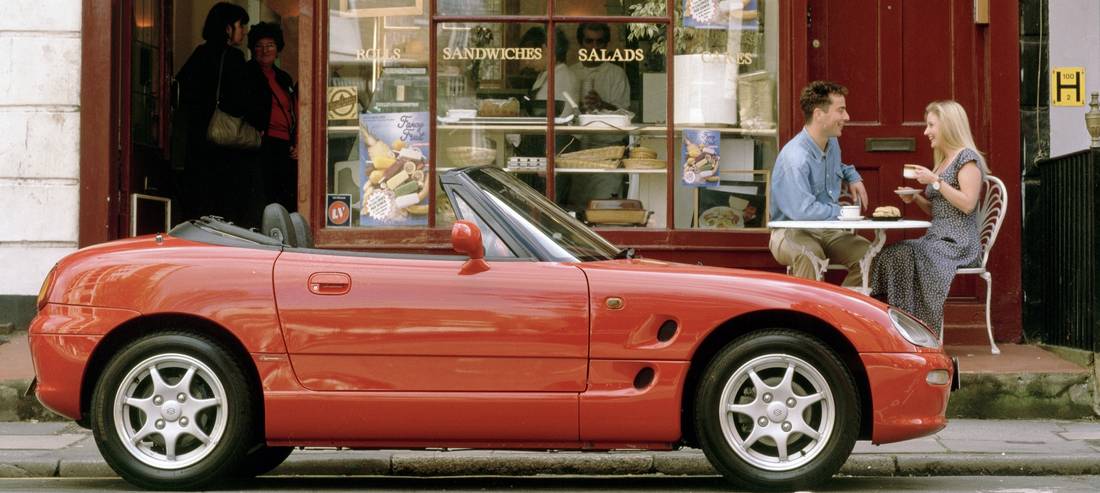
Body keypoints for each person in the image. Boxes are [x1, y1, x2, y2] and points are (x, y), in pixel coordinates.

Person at [870, 100, 990, 336]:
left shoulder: (967, 158)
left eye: (931, 125)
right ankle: (903, 324)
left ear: (948, 126)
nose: (926, 132)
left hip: (959, 243)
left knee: (904, 253)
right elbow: (940, 210)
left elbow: (967, 204)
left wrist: (935, 181)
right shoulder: (943, 160)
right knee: (893, 253)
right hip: (937, 240)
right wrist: (915, 198)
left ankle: (919, 330)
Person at [768, 81, 869, 287]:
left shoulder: (830, 141)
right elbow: (802, 211)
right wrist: (842, 213)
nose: (847, 117)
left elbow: (835, 166)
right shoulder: (795, 159)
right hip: (790, 231)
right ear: (818, 114)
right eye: (841, 110)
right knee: (810, 255)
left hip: (825, 229)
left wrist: (852, 175)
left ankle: (841, 312)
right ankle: (807, 317)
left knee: (870, 255)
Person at [175, 2, 256, 226]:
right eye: (241, 25)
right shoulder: (234, 58)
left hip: (197, 142)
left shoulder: (199, 54)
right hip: (224, 146)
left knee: (200, 209)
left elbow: (181, 91)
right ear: (227, 28)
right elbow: (241, 101)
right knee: (225, 209)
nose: (245, 31)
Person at [561, 23, 630, 217]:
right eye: (589, 41)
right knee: (577, 211)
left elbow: (626, 114)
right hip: (577, 151)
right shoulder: (571, 73)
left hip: (607, 153)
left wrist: (603, 104)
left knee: (606, 210)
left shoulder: (616, 74)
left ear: (606, 45)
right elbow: (562, 115)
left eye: (599, 42)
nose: (594, 47)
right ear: (580, 44)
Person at [244, 21, 298, 213]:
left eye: (270, 45)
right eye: (259, 45)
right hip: (261, 144)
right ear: (252, 49)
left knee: (285, 196)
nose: (265, 50)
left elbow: (294, 112)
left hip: (285, 146)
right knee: (263, 197)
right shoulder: (246, 73)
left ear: (278, 49)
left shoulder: (284, 77)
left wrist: (296, 141)